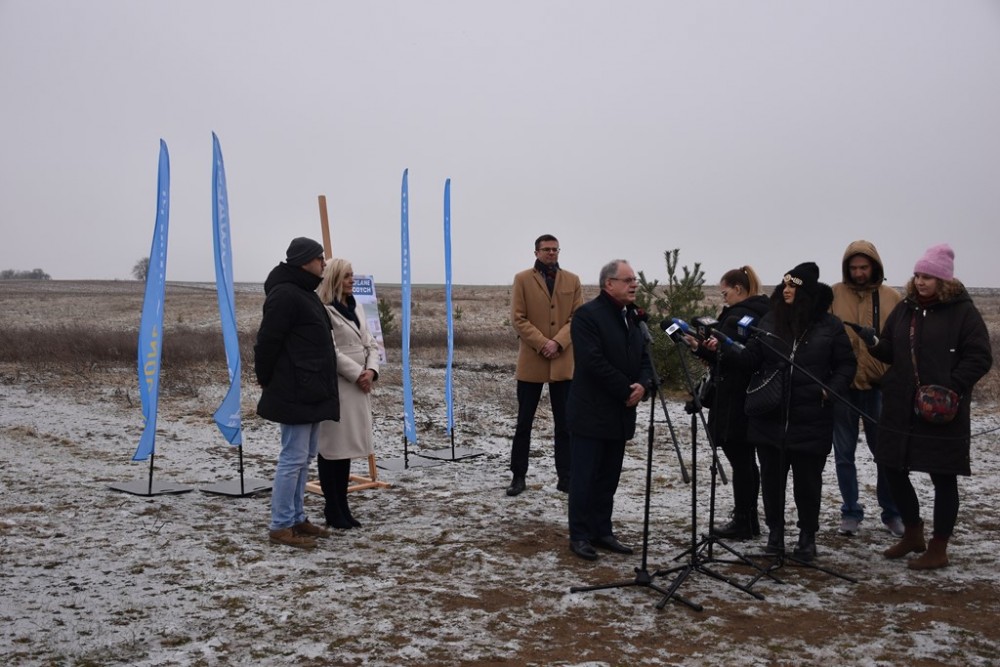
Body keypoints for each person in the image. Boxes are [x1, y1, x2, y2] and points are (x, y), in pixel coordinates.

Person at [866, 244, 992, 570]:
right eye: (918, 275)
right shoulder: (906, 308)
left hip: (941, 412)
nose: (921, 282)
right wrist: (874, 343)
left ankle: (939, 548)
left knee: (943, 477)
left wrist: (951, 388)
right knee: (891, 467)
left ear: (943, 280)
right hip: (899, 407)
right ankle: (912, 533)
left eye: (928, 277)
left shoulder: (963, 312)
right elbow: (891, 351)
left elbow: (980, 357)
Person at [741, 262, 856, 561]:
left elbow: (846, 365)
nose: (786, 290)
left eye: (793, 285)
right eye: (784, 284)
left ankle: (807, 538)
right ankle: (775, 536)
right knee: (772, 482)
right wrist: (724, 350)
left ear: (807, 292)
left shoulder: (830, 326)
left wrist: (830, 389)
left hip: (812, 419)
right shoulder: (770, 320)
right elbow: (752, 357)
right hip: (770, 416)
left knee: (808, 484)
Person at [254, 237, 339, 549]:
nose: (324, 264)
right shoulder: (285, 295)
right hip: (295, 390)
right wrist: (266, 379)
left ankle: (296, 517)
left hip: (312, 389)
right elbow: (267, 342)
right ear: (304, 261)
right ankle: (280, 525)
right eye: (320, 259)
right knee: (292, 459)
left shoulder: (305, 293)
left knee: (304, 458)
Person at [566, 260, 652, 561]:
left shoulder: (633, 317)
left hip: (620, 414)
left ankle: (602, 530)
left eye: (635, 280)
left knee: (608, 478)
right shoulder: (587, 316)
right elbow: (592, 362)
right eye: (628, 280)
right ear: (609, 284)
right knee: (584, 478)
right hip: (591, 412)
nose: (634, 284)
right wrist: (627, 389)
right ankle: (579, 535)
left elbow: (645, 357)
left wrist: (643, 385)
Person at [830, 240, 904, 538]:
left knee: (885, 454)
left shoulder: (892, 298)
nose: (859, 273)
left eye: (864, 267)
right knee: (843, 455)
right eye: (854, 268)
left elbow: (902, 344)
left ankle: (892, 512)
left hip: (879, 388)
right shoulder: (834, 294)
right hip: (843, 387)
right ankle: (850, 512)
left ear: (874, 267)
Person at [690, 266, 771, 540]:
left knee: (741, 460)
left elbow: (735, 358)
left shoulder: (740, 316)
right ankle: (748, 518)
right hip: (749, 395)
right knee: (745, 460)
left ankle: (744, 520)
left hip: (734, 397)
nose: (723, 298)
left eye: (725, 293)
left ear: (738, 289)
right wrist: (702, 348)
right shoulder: (762, 312)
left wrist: (704, 348)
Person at [506, 234, 583, 496]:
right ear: (536, 252)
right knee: (524, 423)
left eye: (555, 249)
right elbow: (518, 318)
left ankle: (566, 477)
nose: (551, 253)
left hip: (563, 361)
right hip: (532, 361)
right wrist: (542, 343)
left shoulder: (572, 280)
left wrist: (558, 342)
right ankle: (518, 476)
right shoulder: (522, 279)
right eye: (546, 249)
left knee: (565, 424)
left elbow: (577, 317)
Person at [316, 258, 380, 530]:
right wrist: (357, 374)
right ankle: (332, 507)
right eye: (346, 276)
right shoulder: (324, 310)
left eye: (352, 275)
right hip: (339, 386)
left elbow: (371, 343)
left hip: (360, 386)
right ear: (334, 278)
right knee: (333, 448)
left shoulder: (357, 307)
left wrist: (372, 371)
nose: (352, 280)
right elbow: (329, 350)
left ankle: (342, 505)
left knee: (347, 450)